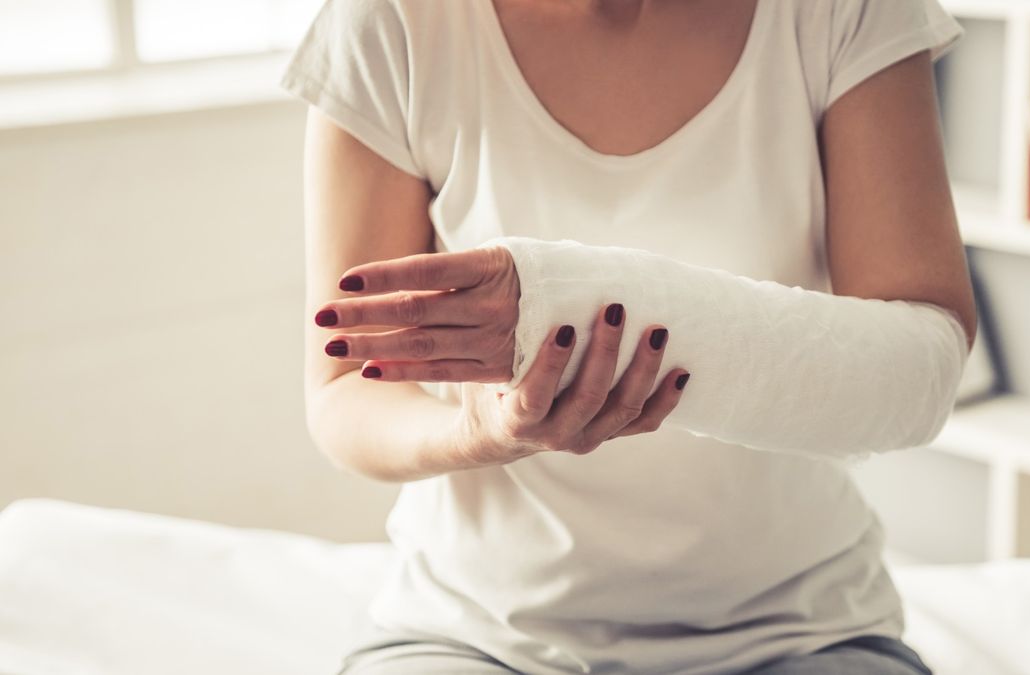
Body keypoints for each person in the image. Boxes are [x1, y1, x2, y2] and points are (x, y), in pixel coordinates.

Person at [280, 0, 975, 672]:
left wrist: (590, 299)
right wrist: (476, 432)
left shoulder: (846, 9)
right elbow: (343, 392)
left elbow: (921, 363)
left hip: (798, 629)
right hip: (477, 630)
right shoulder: (389, 20)